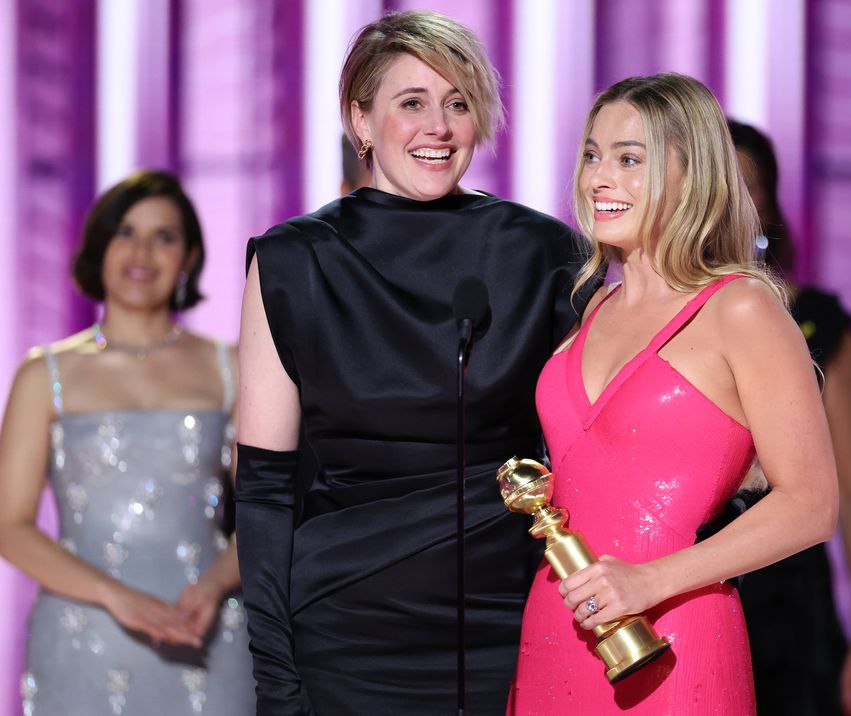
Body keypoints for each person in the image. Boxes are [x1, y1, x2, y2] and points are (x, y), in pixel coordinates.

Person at [235, 10, 593, 714]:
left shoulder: (543, 251)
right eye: (411, 103)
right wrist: (276, 677)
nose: (439, 126)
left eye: (458, 103)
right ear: (360, 120)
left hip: (509, 618)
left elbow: (590, 451)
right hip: (347, 631)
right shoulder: (292, 261)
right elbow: (265, 491)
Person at [507, 73, 839, 715]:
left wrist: (650, 580)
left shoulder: (740, 308)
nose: (598, 178)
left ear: (692, 176)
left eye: (629, 159)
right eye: (592, 155)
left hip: (673, 636)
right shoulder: (590, 309)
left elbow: (811, 503)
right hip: (557, 626)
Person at [0, 171, 255, 715]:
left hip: (206, 628)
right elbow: (10, 527)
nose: (143, 251)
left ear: (188, 257)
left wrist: (212, 586)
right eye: (126, 232)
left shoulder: (229, 367)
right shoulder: (45, 374)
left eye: (164, 236)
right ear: (99, 247)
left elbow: (271, 508)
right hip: (82, 637)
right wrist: (115, 596)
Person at [727, 119, 851, 716]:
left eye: (747, 183)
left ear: (770, 204)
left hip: (791, 595)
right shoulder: (656, 320)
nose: (732, 198)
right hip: (691, 577)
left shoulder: (816, 321)